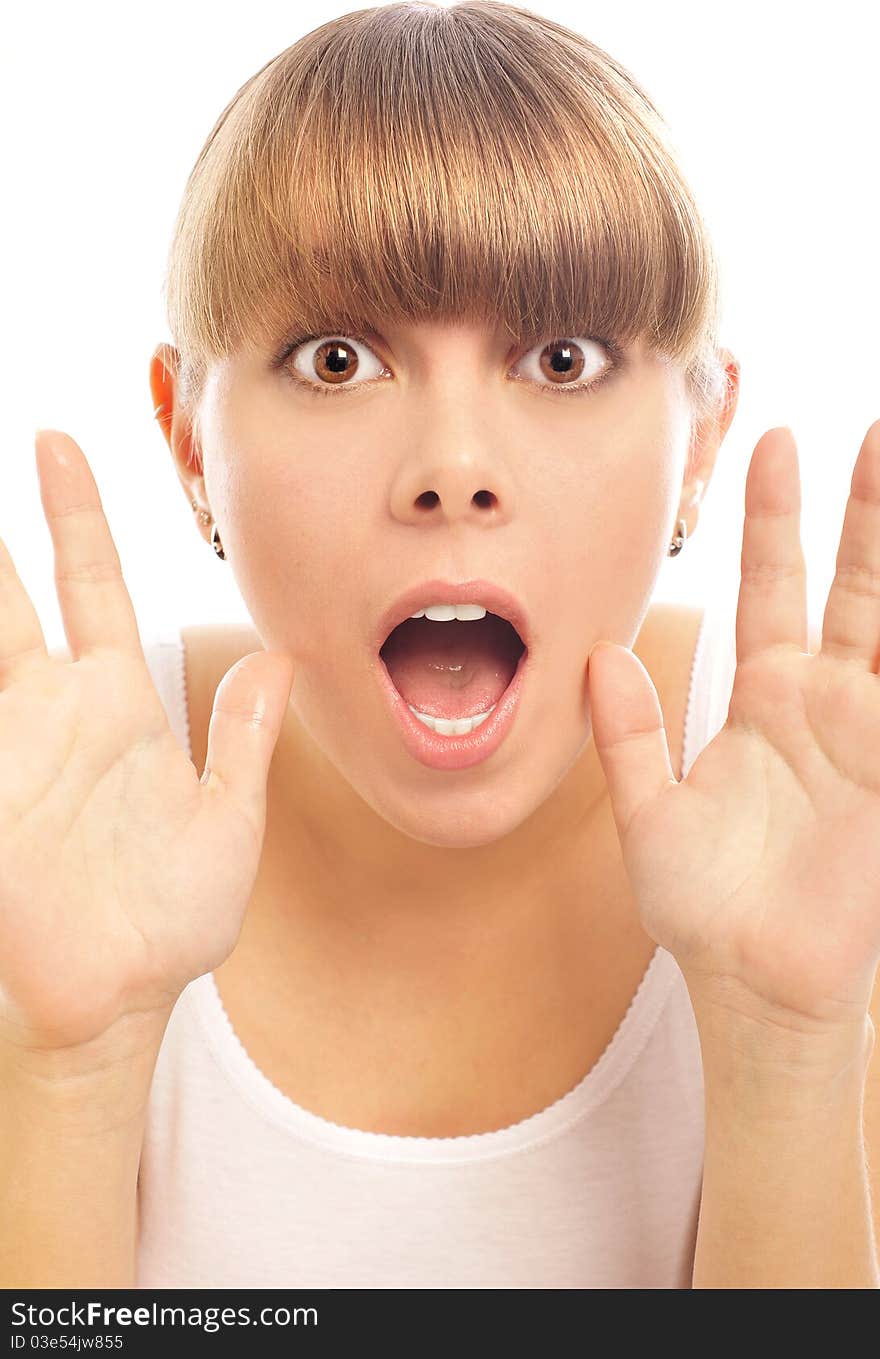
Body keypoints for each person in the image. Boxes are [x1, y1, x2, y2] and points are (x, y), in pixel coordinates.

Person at [3, 2, 877, 1291]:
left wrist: (788, 1048)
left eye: (563, 357)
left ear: (698, 441)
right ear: (189, 439)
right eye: (339, 357)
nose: (453, 471)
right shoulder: (51, 813)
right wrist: (63, 1066)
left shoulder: (832, 806)